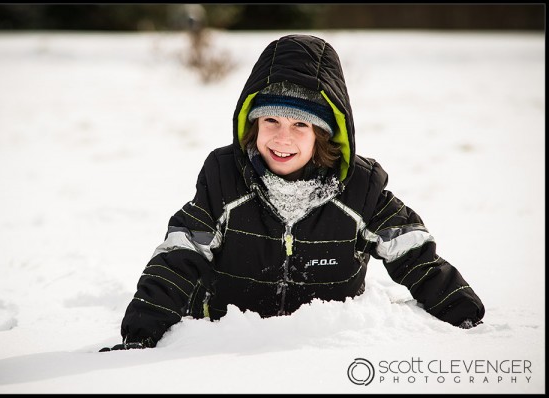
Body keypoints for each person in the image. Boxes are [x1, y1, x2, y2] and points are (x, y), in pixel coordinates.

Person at [100, 34, 485, 351]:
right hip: (223, 348)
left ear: (324, 134)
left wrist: (459, 309)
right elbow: (180, 255)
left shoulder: (360, 191)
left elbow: (412, 250)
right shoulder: (224, 182)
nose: (282, 138)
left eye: (301, 124)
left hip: (324, 351)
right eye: (271, 120)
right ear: (252, 124)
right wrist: (142, 333)